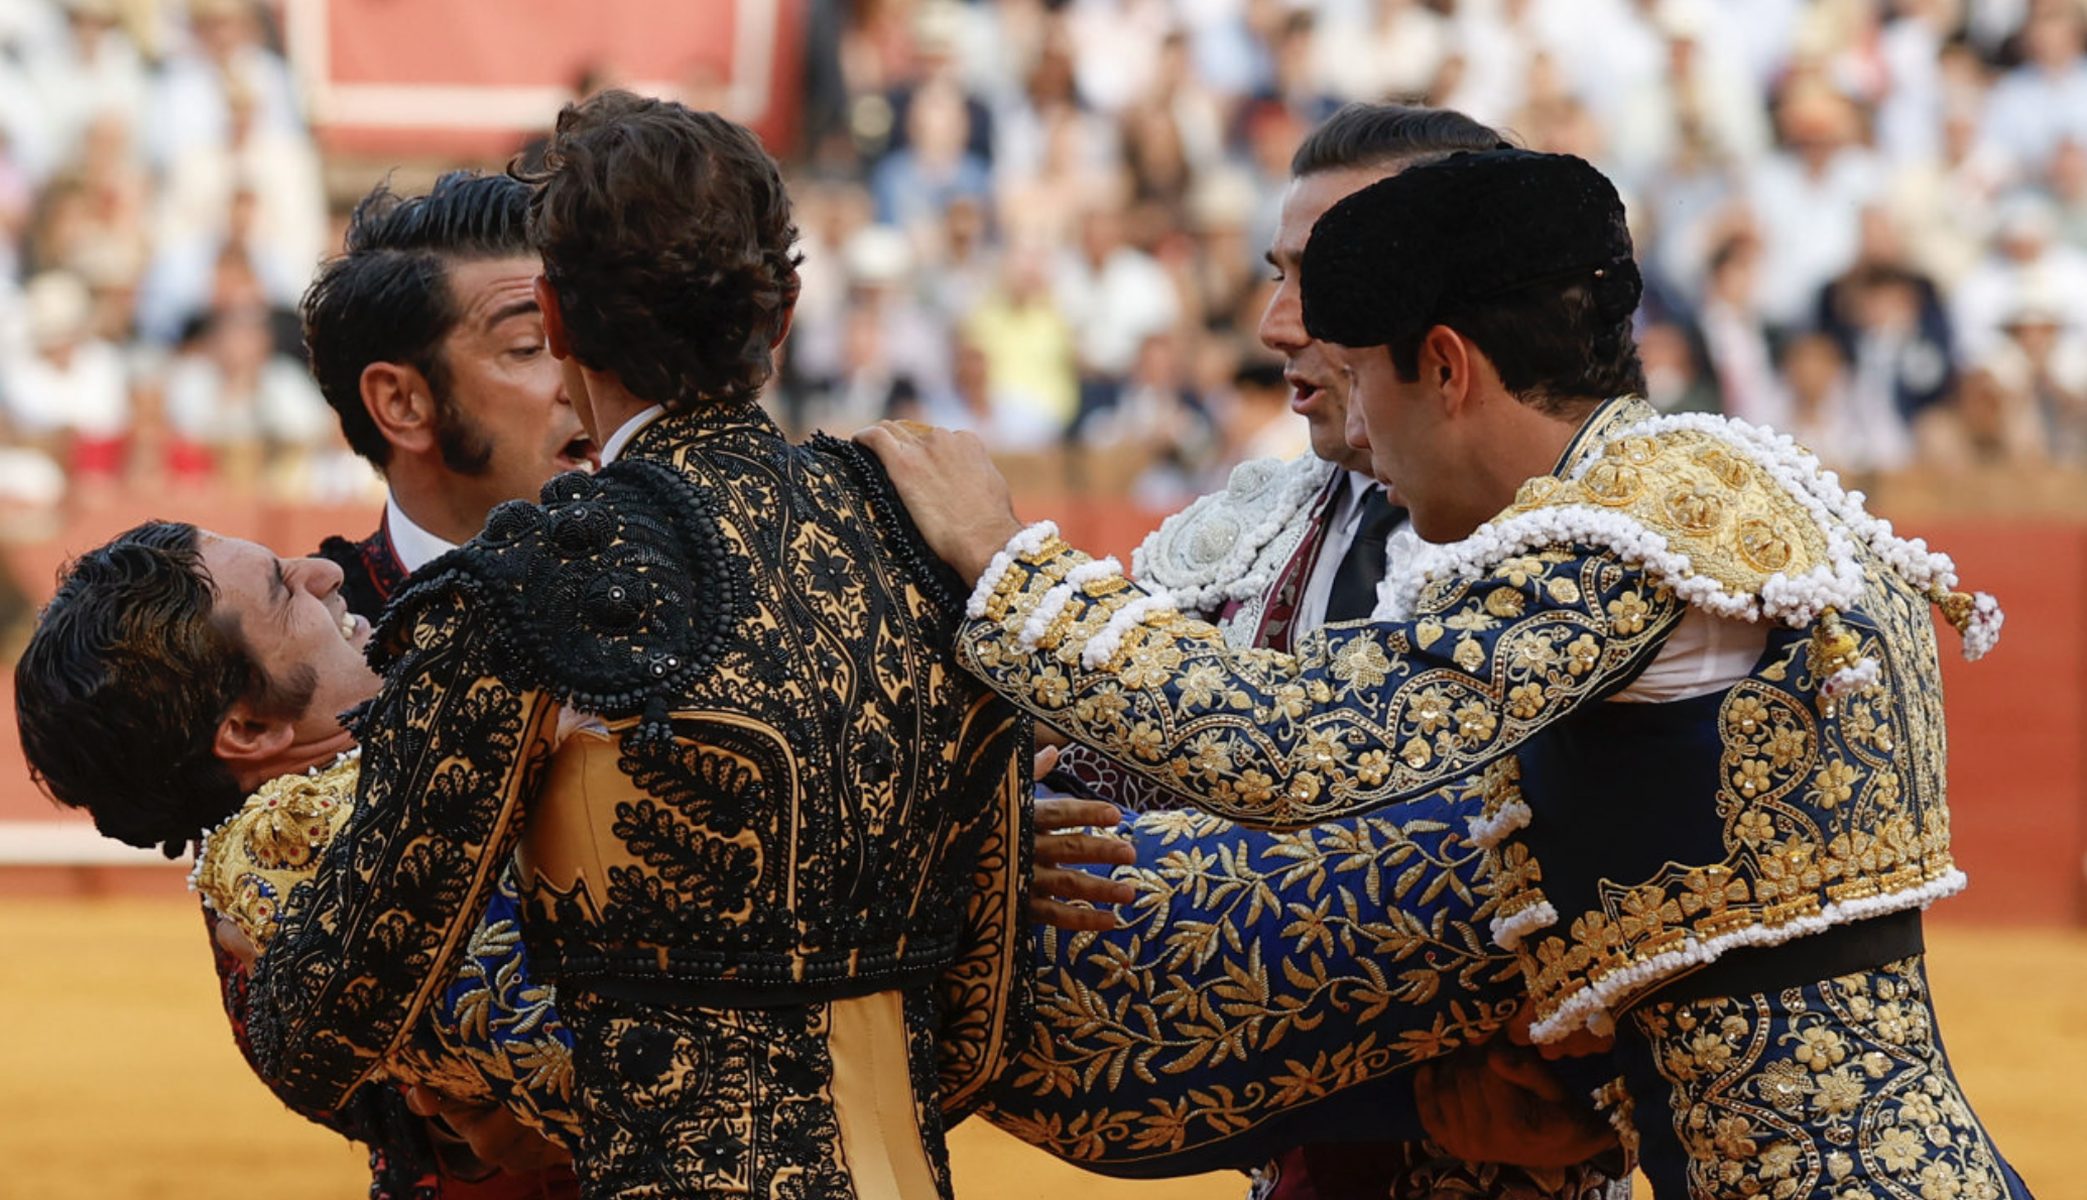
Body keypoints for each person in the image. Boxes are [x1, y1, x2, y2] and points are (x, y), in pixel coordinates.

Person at [858, 148, 2034, 1199]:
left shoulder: (1615, 536)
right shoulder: (1712, 486)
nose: (1358, 432)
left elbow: (1295, 748)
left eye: (1364, 382)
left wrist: (1004, 561)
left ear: (1445, 366)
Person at [237, 91, 1038, 1199]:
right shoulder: (926, 540)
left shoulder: (506, 595)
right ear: (787, 309)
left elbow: (313, 1029)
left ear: (561, 329)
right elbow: (982, 1024)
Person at [1046, 101, 1624, 1200]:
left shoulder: (1595, 539)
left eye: (1325, 277)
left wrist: (1608, 1121)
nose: (1273, 325)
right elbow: (1070, 775)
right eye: (1279, 273)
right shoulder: (1245, 526)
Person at [301, 170, 595, 616]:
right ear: (401, 403)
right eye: (528, 347)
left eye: (586, 339)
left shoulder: (689, 599)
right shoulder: (306, 642)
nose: (584, 380)